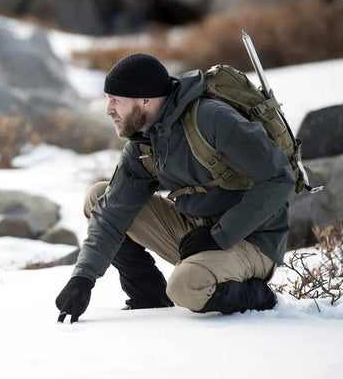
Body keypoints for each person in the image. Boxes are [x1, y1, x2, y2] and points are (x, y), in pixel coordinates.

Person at [55, 53, 295, 323]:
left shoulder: (213, 119)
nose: (108, 110)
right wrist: (83, 278)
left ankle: (260, 296)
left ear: (145, 100)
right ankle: (148, 296)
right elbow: (111, 214)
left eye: (116, 101)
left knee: (186, 287)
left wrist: (221, 235)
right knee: (98, 197)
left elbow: (279, 178)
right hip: (197, 236)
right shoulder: (143, 145)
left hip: (252, 240)